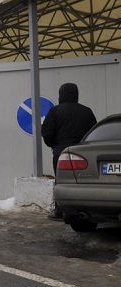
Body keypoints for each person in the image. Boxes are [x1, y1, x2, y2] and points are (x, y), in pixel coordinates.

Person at [41, 82, 97, 219]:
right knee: (83, 181)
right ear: (76, 94)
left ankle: (60, 210)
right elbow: (93, 132)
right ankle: (84, 209)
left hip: (61, 153)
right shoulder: (87, 111)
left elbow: (47, 132)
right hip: (82, 153)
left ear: (61, 95)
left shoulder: (55, 111)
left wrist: (54, 145)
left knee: (61, 182)